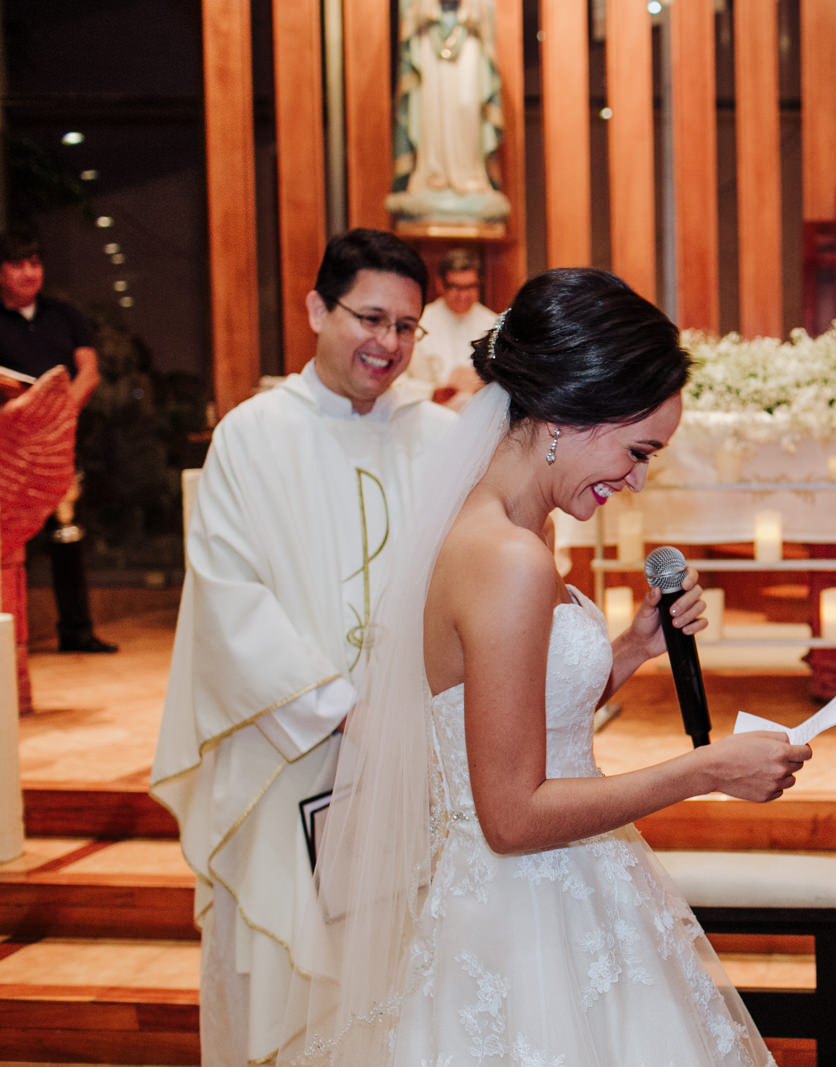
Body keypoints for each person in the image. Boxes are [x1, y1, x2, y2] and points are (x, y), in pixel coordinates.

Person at [280, 268, 809, 1067]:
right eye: (637, 451)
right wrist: (703, 768)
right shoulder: (507, 556)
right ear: (567, 415)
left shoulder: (514, 525)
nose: (636, 479)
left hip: (560, 888)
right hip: (524, 914)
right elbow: (512, 815)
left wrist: (633, 645)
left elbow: (510, 714)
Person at [150, 229, 455, 1065]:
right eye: (370, 317)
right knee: (287, 984)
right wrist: (343, 712)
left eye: (406, 326)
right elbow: (228, 600)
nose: (386, 344)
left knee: (397, 974)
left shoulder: (437, 437)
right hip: (287, 755)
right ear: (318, 307)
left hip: (409, 759)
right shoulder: (251, 437)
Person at [0, 230, 116, 653]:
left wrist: (61, 411)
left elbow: (88, 369)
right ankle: (10, 640)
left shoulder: (65, 314)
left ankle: (77, 630)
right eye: (17, 264)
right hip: (8, 449)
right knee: (8, 546)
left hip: (61, 442)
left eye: (34, 263)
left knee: (68, 535)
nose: (28, 272)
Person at [386, 0, 512, 224]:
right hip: (427, 37)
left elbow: (485, 11)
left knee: (466, 107)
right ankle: (431, 176)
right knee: (431, 114)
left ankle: (470, 178)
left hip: (468, 37)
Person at [403, 246, 497, 408]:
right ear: (440, 284)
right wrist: (433, 392)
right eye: (456, 287)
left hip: (480, 416)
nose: (463, 295)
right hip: (430, 414)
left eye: (470, 287)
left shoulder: (494, 324)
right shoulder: (419, 323)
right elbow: (400, 380)